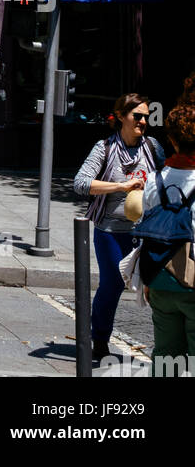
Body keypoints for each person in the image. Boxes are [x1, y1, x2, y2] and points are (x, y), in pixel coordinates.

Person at [73, 92, 165, 361]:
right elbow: (81, 183)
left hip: (146, 232)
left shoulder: (152, 148)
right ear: (122, 117)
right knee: (112, 284)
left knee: (158, 287)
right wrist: (121, 186)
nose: (143, 122)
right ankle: (100, 341)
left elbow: (165, 179)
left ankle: (166, 347)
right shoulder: (105, 148)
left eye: (147, 117)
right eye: (137, 116)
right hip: (111, 231)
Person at [129, 100, 195, 375]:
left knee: (166, 358)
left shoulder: (155, 179)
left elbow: (145, 225)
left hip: (159, 277)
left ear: (171, 139)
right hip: (192, 280)